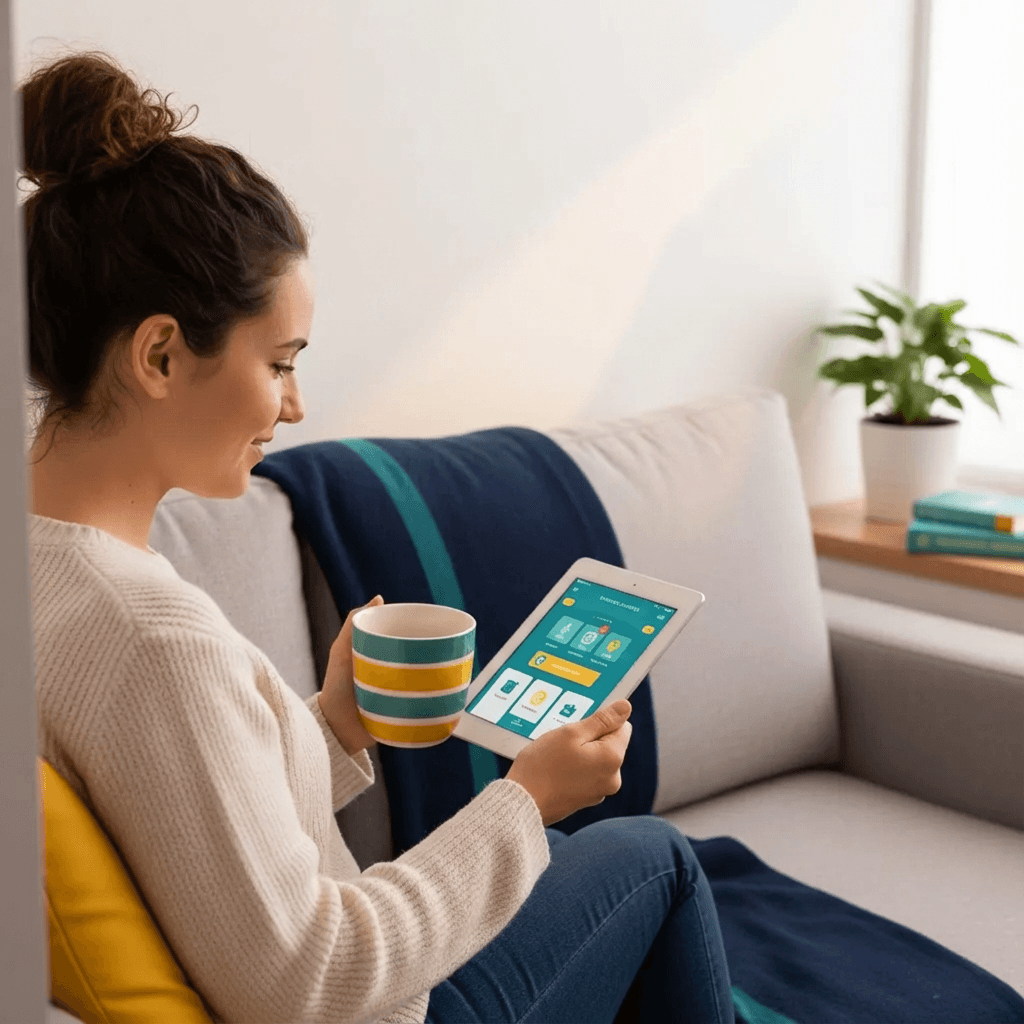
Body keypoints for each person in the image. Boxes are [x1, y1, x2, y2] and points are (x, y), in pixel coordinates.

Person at [22, 49, 733, 1024]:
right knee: (651, 854)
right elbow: (306, 977)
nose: (295, 405)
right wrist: (526, 799)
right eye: (280, 363)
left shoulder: (47, 572)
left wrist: (333, 723)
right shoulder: (152, 636)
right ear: (159, 354)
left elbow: (194, 842)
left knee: (584, 860)